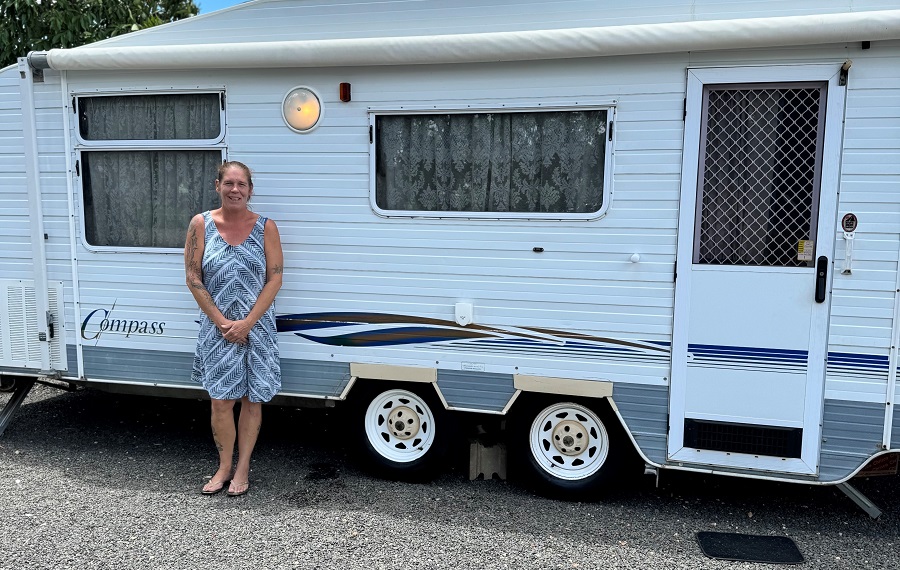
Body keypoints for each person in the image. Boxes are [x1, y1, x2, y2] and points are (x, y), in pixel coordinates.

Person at [184, 161, 283, 497]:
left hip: (257, 328)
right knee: (221, 402)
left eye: (242, 184)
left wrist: (247, 322)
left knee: (252, 400)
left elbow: (276, 277)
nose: (235, 190)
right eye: (229, 183)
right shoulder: (201, 225)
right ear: (218, 185)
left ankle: (243, 469)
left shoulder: (266, 227)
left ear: (250, 190)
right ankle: (224, 466)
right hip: (218, 330)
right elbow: (193, 277)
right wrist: (222, 322)